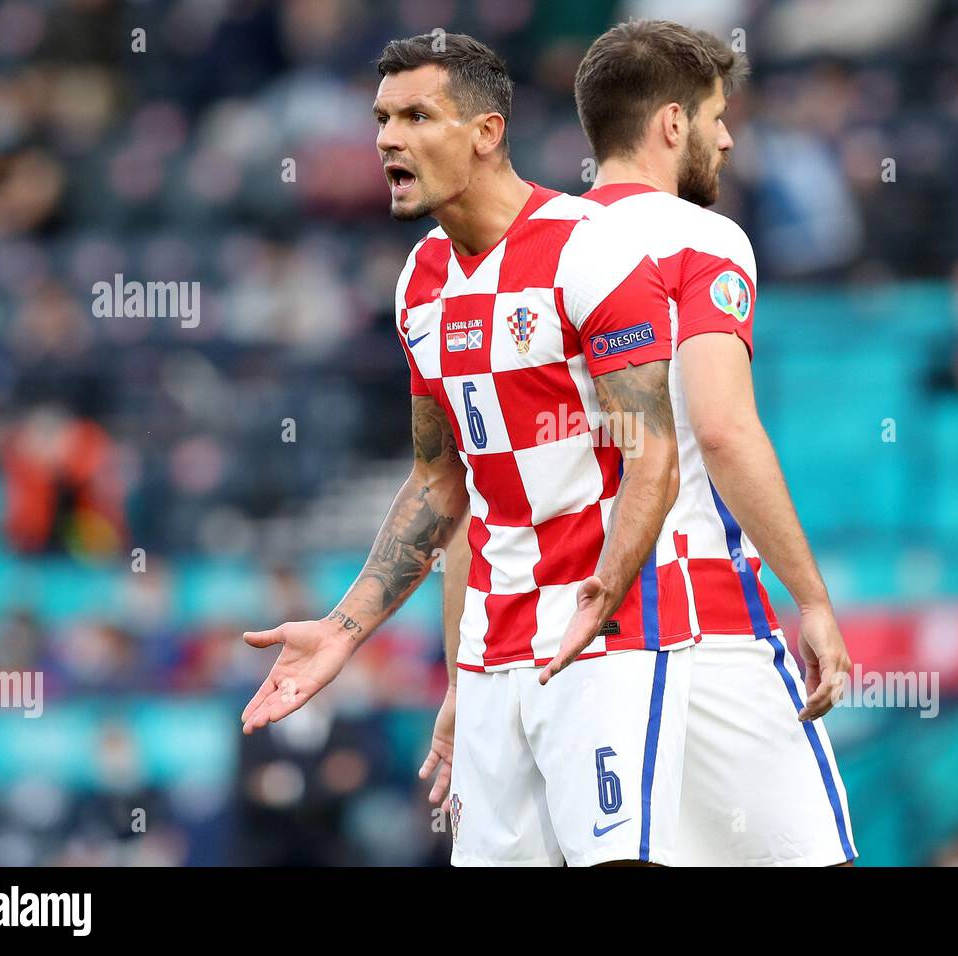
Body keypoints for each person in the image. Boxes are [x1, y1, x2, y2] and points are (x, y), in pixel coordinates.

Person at [242, 32, 697, 867]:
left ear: (486, 132)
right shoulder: (420, 280)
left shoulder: (587, 247)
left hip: (607, 634)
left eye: (417, 116)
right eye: (382, 118)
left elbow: (651, 452)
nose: (387, 138)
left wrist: (604, 594)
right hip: (491, 649)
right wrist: (346, 630)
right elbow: (439, 479)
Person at [429, 20, 858, 866]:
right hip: (708, 619)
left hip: (577, 642)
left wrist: (466, 680)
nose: (729, 136)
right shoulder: (702, 237)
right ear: (671, 124)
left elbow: (482, 504)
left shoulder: (530, 254)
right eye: (716, 116)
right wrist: (811, 596)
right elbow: (725, 428)